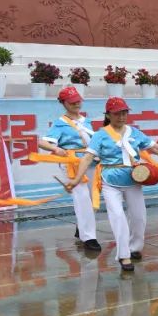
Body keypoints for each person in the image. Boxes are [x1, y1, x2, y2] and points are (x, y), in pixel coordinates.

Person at [68, 97, 158, 272]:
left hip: (133, 180)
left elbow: (156, 148)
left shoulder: (134, 132)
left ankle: (135, 247)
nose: (121, 116)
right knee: (118, 217)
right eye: (117, 113)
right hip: (110, 182)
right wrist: (76, 179)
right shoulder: (100, 135)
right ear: (108, 114)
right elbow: (88, 157)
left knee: (139, 217)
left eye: (124, 113)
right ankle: (124, 255)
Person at [39, 87, 101, 252]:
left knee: (92, 198)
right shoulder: (60, 123)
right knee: (81, 198)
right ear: (63, 103)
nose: (76, 104)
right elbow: (42, 142)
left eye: (78, 100)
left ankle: (82, 228)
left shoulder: (85, 121)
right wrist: (56, 149)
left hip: (90, 161)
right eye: (72, 101)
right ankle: (89, 237)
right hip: (72, 164)